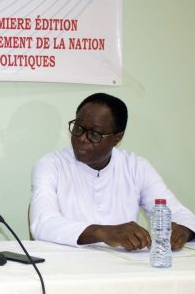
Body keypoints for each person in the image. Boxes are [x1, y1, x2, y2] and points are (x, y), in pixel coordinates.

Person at [29, 93, 195, 251]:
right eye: (79, 128)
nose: (82, 138)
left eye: (94, 134)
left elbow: (178, 213)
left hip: (125, 265)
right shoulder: (51, 165)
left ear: (117, 138)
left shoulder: (136, 167)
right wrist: (103, 233)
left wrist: (183, 231)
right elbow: (43, 224)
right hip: (68, 264)